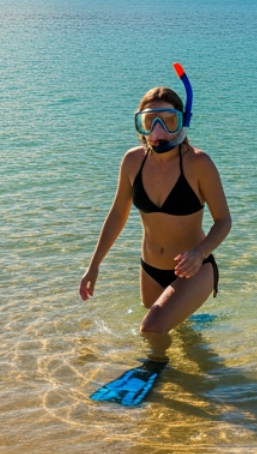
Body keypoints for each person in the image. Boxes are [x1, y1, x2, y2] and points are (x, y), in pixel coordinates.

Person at [79, 84, 232, 360]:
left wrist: (199, 254)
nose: (158, 132)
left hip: (194, 269)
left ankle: (162, 380)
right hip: (150, 269)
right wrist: (94, 266)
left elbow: (223, 221)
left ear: (182, 123)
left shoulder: (199, 163)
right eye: (149, 122)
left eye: (168, 120)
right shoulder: (132, 161)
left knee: (151, 328)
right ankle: (195, 363)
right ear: (140, 125)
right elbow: (117, 215)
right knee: (164, 324)